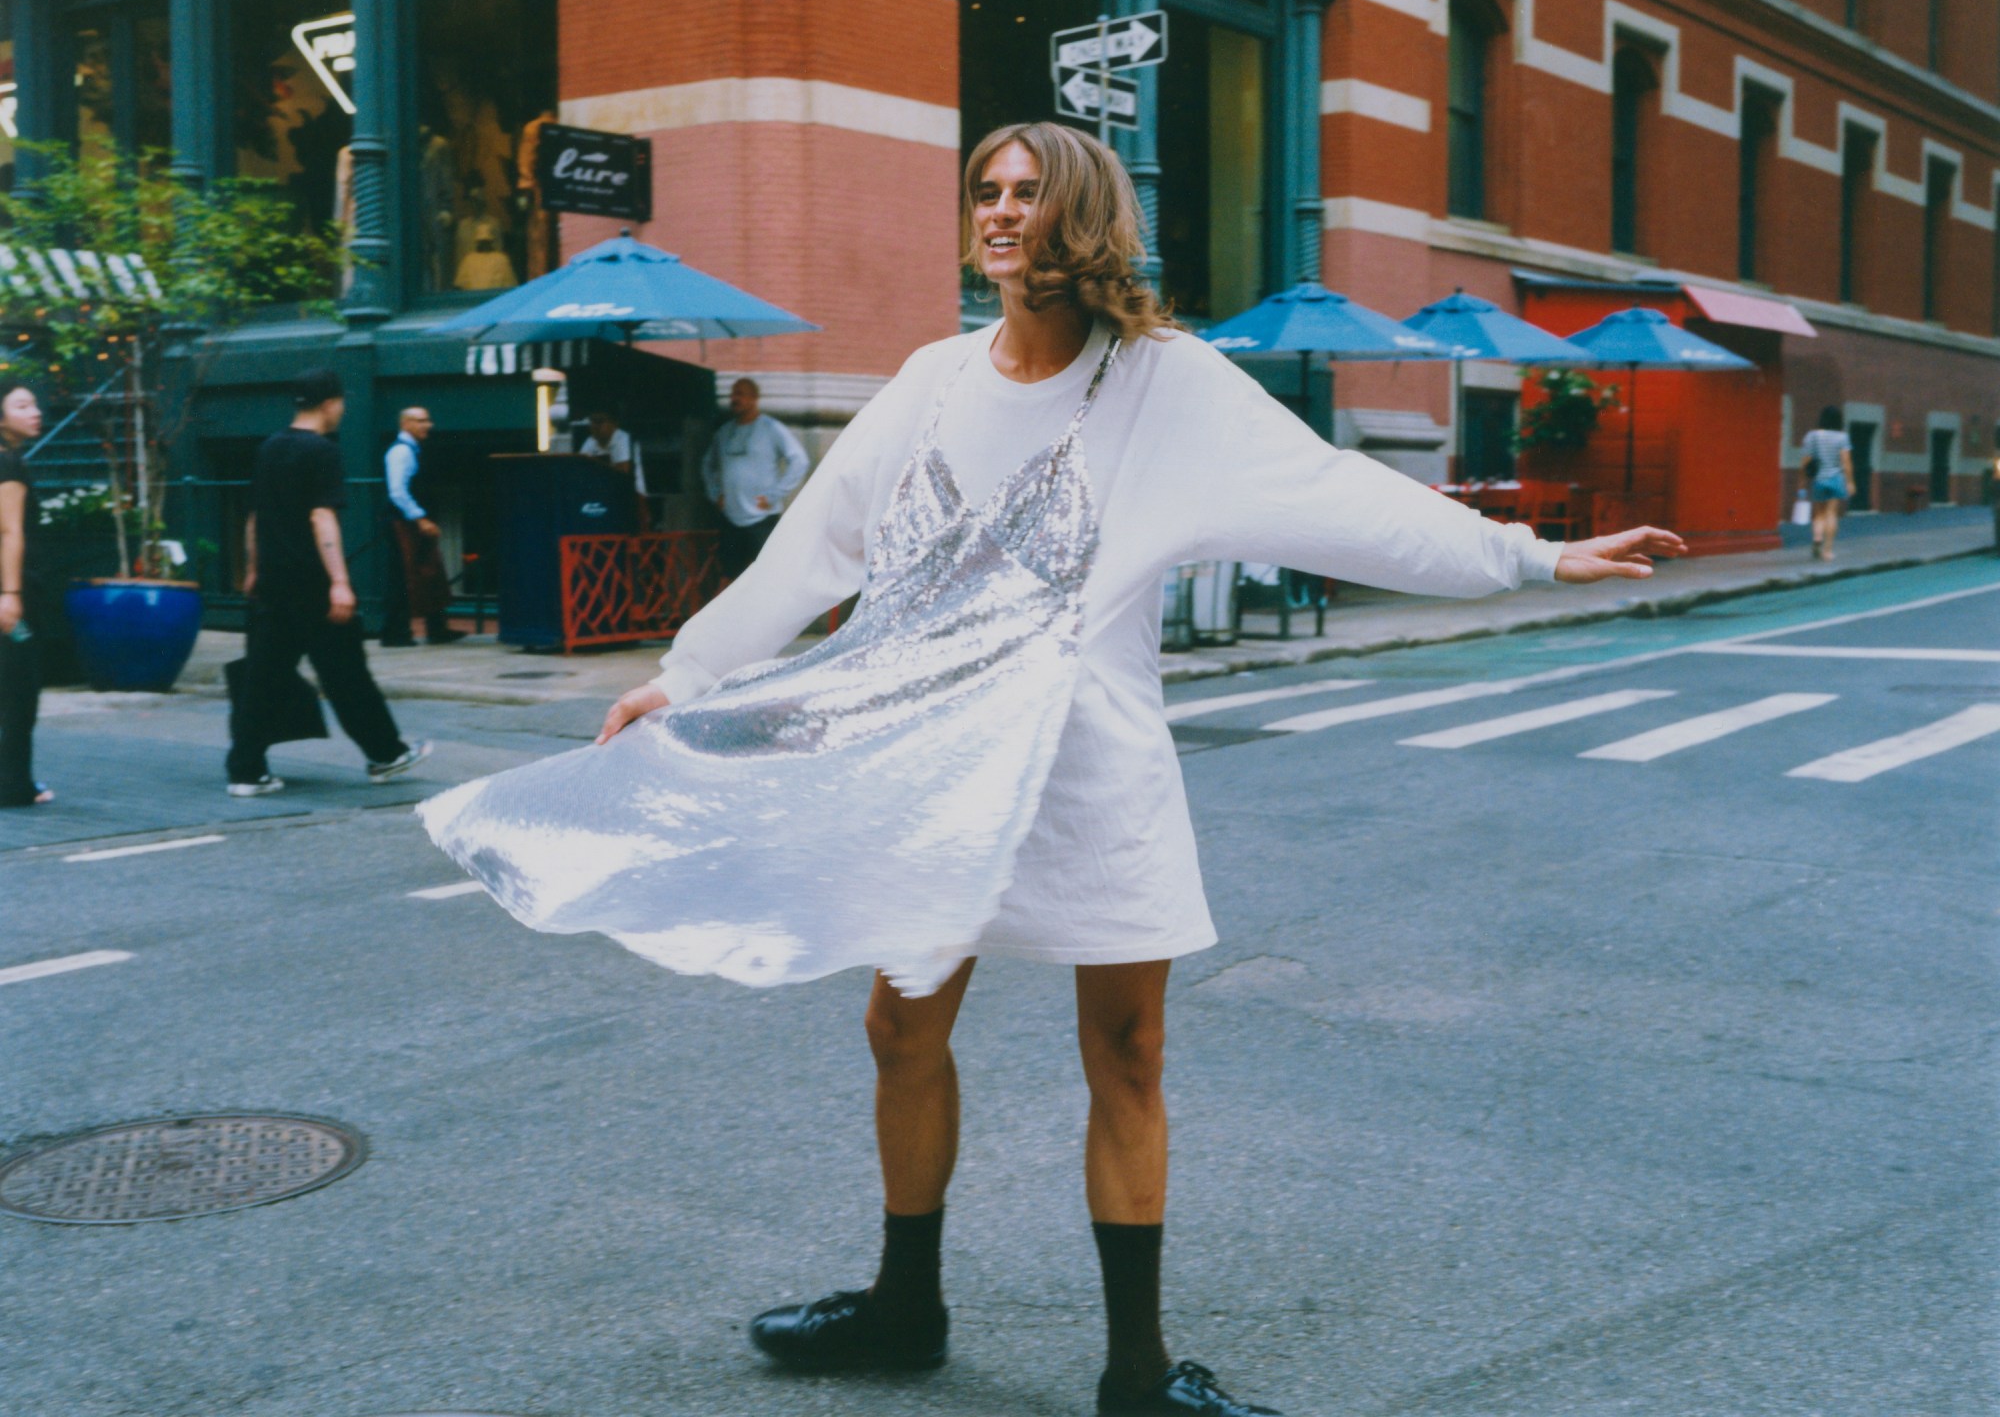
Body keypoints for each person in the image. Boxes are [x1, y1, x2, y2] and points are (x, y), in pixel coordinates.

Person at [422, 123, 1684, 1417]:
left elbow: (1335, 491)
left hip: (1090, 772)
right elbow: (812, 548)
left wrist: (1529, 556)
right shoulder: (927, 382)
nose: (1001, 211)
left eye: (1028, 192)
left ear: (1078, 213)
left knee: (1126, 1051)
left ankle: (1136, 1374)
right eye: (985, 191)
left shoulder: (1163, 383)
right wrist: (687, 678)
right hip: (924, 764)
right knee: (898, 1024)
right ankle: (905, 1304)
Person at [226, 368, 431, 797]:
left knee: (262, 678)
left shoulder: (269, 448)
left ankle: (246, 770)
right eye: (340, 402)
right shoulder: (322, 452)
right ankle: (385, 754)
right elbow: (322, 517)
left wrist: (252, 569)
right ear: (329, 403)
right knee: (347, 675)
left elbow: (254, 517)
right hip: (312, 585)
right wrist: (339, 580)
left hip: (273, 584)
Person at [0, 379, 51, 807]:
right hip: (12, 590)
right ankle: (14, 784)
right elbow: (10, 531)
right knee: (20, 690)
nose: (35, 412)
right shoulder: (9, 464)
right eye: (22, 405)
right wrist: (10, 593)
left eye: (34, 404)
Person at [700, 378, 808, 576]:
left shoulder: (771, 428)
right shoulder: (723, 433)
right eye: (733, 394)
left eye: (740, 394)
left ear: (754, 399)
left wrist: (774, 495)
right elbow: (708, 465)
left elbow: (799, 460)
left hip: (762, 520)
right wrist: (715, 494)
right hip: (730, 520)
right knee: (732, 577)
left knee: (767, 577)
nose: (734, 399)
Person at [381, 406, 459, 647]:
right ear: (406, 424)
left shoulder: (411, 450)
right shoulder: (401, 452)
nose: (428, 425)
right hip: (404, 523)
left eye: (428, 420)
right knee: (406, 576)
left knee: (430, 572)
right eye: (421, 421)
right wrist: (419, 518)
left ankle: (436, 628)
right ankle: (396, 633)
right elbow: (397, 491)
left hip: (411, 521)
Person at [1799, 405, 1855, 561]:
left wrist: (1802, 482)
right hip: (1836, 479)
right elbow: (1846, 462)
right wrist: (1850, 482)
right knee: (1831, 514)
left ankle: (1817, 537)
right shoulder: (1842, 437)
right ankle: (1827, 551)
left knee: (1818, 514)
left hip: (1819, 479)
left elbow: (1805, 461)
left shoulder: (1812, 436)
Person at [579, 408, 650, 528]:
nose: (595, 426)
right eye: (592, 422)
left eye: (600, 421)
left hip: (631, 496)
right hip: (599, 496)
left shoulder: (624, 439)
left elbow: (623, 472)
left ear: (613, 424)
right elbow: (580, 468)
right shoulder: (590, 442)